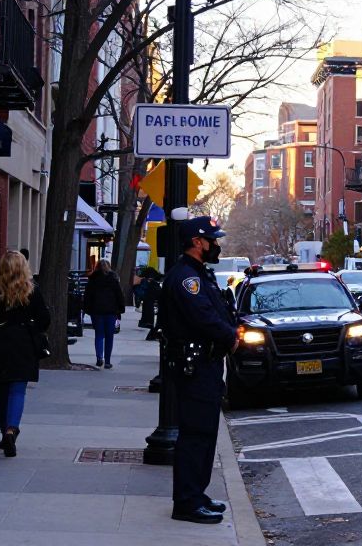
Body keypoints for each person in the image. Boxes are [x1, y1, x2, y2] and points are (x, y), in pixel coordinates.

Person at [160, 215, 238, 524]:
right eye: (212, 240)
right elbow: (204, 317)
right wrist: (230, 336)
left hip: (205, 365)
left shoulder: (199, 275)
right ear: (197, 243)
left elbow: (218, 310)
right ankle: (187, 502)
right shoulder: (186, 279)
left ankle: (197, 493)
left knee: (205, 434)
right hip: (194, 367)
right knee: (194, 435)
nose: (216, 245)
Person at [0, 251, 51, 458]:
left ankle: (4, 432)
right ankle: (11, 429)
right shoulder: (32, 290)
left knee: (2, 389)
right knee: (18, 390)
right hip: (23, 344)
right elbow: (44, 318)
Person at [83, 259, 125, 369]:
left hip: (96, 311)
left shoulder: (92, 280)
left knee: (99, 335)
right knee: (109, 336)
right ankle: (108, 361)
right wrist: (120, 309)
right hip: (111, 311)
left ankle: (99, 357)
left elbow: (87, 296)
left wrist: (87, 309)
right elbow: (119, 295)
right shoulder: (113, 279)